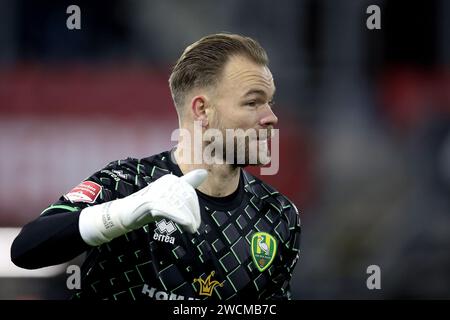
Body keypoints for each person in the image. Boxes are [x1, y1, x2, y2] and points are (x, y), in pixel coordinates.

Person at [11, 33, 301, 300]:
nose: (271, 116)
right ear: (202, 110)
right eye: (253, 102)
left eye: (270, 102)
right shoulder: (128, 183)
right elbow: (27, 249)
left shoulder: (278, 216)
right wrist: (124, 214)